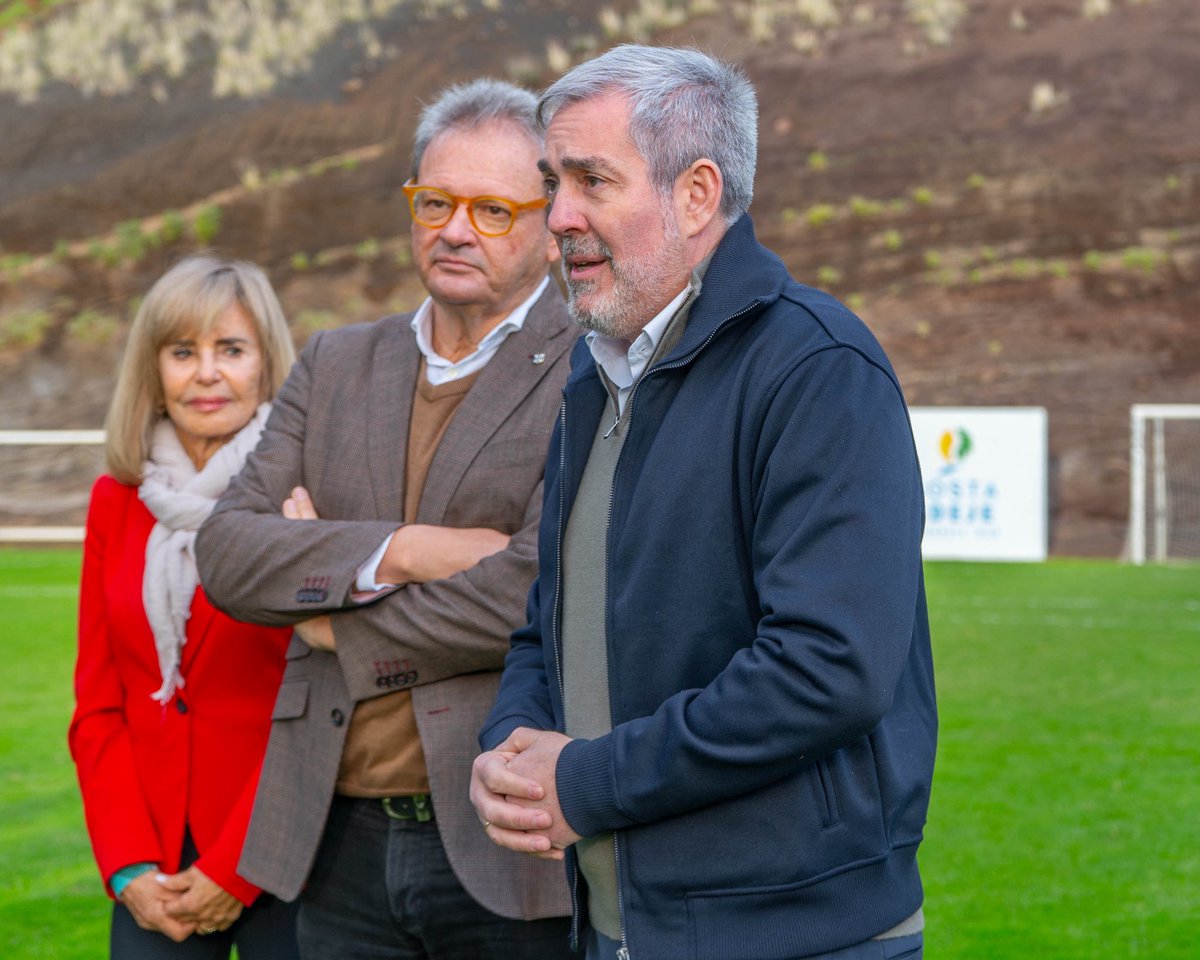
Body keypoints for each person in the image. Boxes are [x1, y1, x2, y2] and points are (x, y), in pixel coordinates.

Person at [470, 44, 938, 960]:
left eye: (591, 181)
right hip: (618, 930)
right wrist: (513, 747)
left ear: (696, 195)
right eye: (551, 181)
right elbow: (548, 622)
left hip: (797, 937)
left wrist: (590, 781)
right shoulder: (593, 374)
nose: (557, 217)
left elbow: (825, 668)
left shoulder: (816, 368)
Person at [193, 78, 574, 959]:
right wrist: (407, 550)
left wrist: (333, 622)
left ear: (550, 228)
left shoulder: (588, 373)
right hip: (332, 838)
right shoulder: (333, 363)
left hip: (504, 836)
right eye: (435, 201)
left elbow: (534, 588)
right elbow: (230, 551)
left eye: (491, 209)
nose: (453, 229)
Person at [70, 254, 300, 959]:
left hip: (281, 855)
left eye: (230, 350)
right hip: (154, 862)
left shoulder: (301, 491)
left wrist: (236, 867)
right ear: (154, 371)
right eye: (182, 352)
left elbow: (318, 701)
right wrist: (128, 864)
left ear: (265, 364)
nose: (206, 373)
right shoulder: (118, 500)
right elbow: (99, 701)